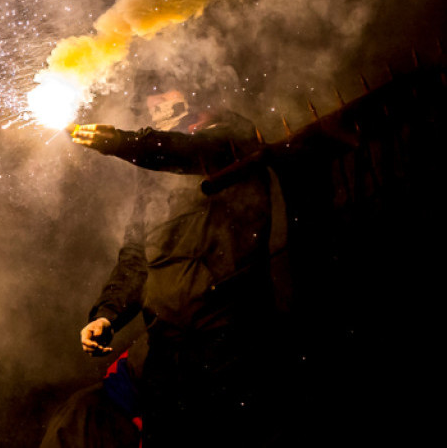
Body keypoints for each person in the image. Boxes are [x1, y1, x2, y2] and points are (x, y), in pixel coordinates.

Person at [63, 83, 286, 447]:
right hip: (166, 350)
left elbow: (185, 151)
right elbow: (136, 256)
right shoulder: (150, 169)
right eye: (150, 100)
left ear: (190, 89)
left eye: (164, 91)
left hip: (230, 338)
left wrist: (124, 142)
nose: (157, 105)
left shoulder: (229, 137)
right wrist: (107, 315)